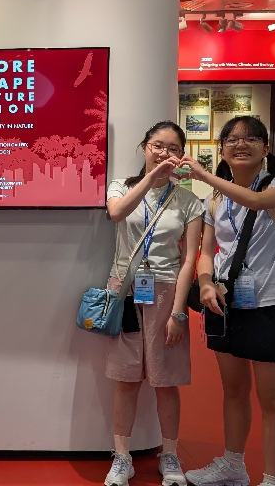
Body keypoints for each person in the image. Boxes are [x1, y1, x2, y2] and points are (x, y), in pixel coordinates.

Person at [180, 116, 275, 486]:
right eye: (232, 139)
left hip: (270, 303)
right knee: (233, 392)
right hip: (225, 302)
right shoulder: (214, 200)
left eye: (251, 138)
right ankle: (233, 466)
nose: (241, 144)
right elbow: (205, 252)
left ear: (266, 148)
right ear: (222, 149)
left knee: (272, 398)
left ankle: (272, 480)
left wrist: (204, 176)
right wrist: (205, 283)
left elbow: (256, 201)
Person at [103, 121, 204, 486]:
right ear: (145, 147)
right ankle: (122, 457)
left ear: (182, 155)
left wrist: (179, 312)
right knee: (126, 379)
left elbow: (189, 260)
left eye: (173, 148)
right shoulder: (120, 186)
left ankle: (170, 455)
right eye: (158, 145)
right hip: (126, 290)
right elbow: (117, 213)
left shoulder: (189, 201)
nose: (164, 153)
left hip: (166, 291)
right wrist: (151, 178)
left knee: (166, 380)